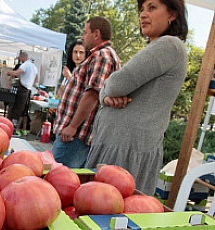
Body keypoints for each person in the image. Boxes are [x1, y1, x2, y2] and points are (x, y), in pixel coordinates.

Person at [85, 0, 188, 196]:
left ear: (172, 14)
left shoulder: (169, 45)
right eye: (142, 9)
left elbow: (116, 84)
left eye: (152, 7)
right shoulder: (161, 47)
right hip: (123, 147)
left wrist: (106, 92)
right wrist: (107, 97)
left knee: (108, 215)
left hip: (125, 150)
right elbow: (114, 88)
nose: (143, 14)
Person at [51, 16, 121, 169]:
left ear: (96, 34)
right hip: (73, 135)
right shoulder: (99, 55)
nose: (82, 37)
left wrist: (73, 126)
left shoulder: (103, 56)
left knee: (56, 179)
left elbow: (93, 94)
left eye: (85, 33)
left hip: (75, 136)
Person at [7, 51, 39, 136]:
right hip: (28, 91)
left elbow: (15, 73)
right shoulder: (34, 67)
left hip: (22, 90)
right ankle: (22, 129)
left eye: (20, 58)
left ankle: (13, 128)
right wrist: (37, 87)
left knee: (16, 110)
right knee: (24, 111)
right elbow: (35, 81)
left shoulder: (25, 65)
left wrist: (9, 72)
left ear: (22, 57)